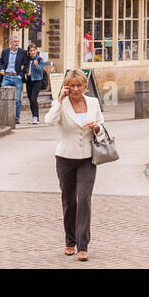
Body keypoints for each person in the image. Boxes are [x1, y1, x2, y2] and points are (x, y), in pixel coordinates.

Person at [45, 69, 104, 262]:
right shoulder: (62, 104)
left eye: (79, 85)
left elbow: (102, 127)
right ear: (66, 87)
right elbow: (49, 120)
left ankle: (83, 245)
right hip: (65, 158)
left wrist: (96, 128)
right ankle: (70, 241)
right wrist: (60, 100)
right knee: (69, 201)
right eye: (72, 86)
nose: (76, 89)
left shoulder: (93, 103)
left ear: (85, 87)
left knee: (84, 199)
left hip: (88, 159)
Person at [0, 36, 30, 124]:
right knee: (3, 97)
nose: (16, 43)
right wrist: (1, 69)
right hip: (6, 77)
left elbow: (26, 65)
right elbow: (0, 62)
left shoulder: (23, 52)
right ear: (10, 43)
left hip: (17, 77)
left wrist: (20, 76)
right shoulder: (5, 52)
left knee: (17, 99)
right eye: (14, 41)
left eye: (17, 41)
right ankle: (0, 116)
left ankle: (16, 118)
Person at [23, 43, 51, 125]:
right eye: (30, 51)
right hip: (29, 80)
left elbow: (41, 71)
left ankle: (36, 117)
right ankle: (33, 116)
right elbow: (25, 68)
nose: (32, 52)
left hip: (37, 81)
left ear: (36, 50)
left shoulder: (39, 59)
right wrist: (25, 70)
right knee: (30, 99)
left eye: (33, 50)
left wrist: (37, 65)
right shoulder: (27, 59)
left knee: (33, 98)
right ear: (28, 52)